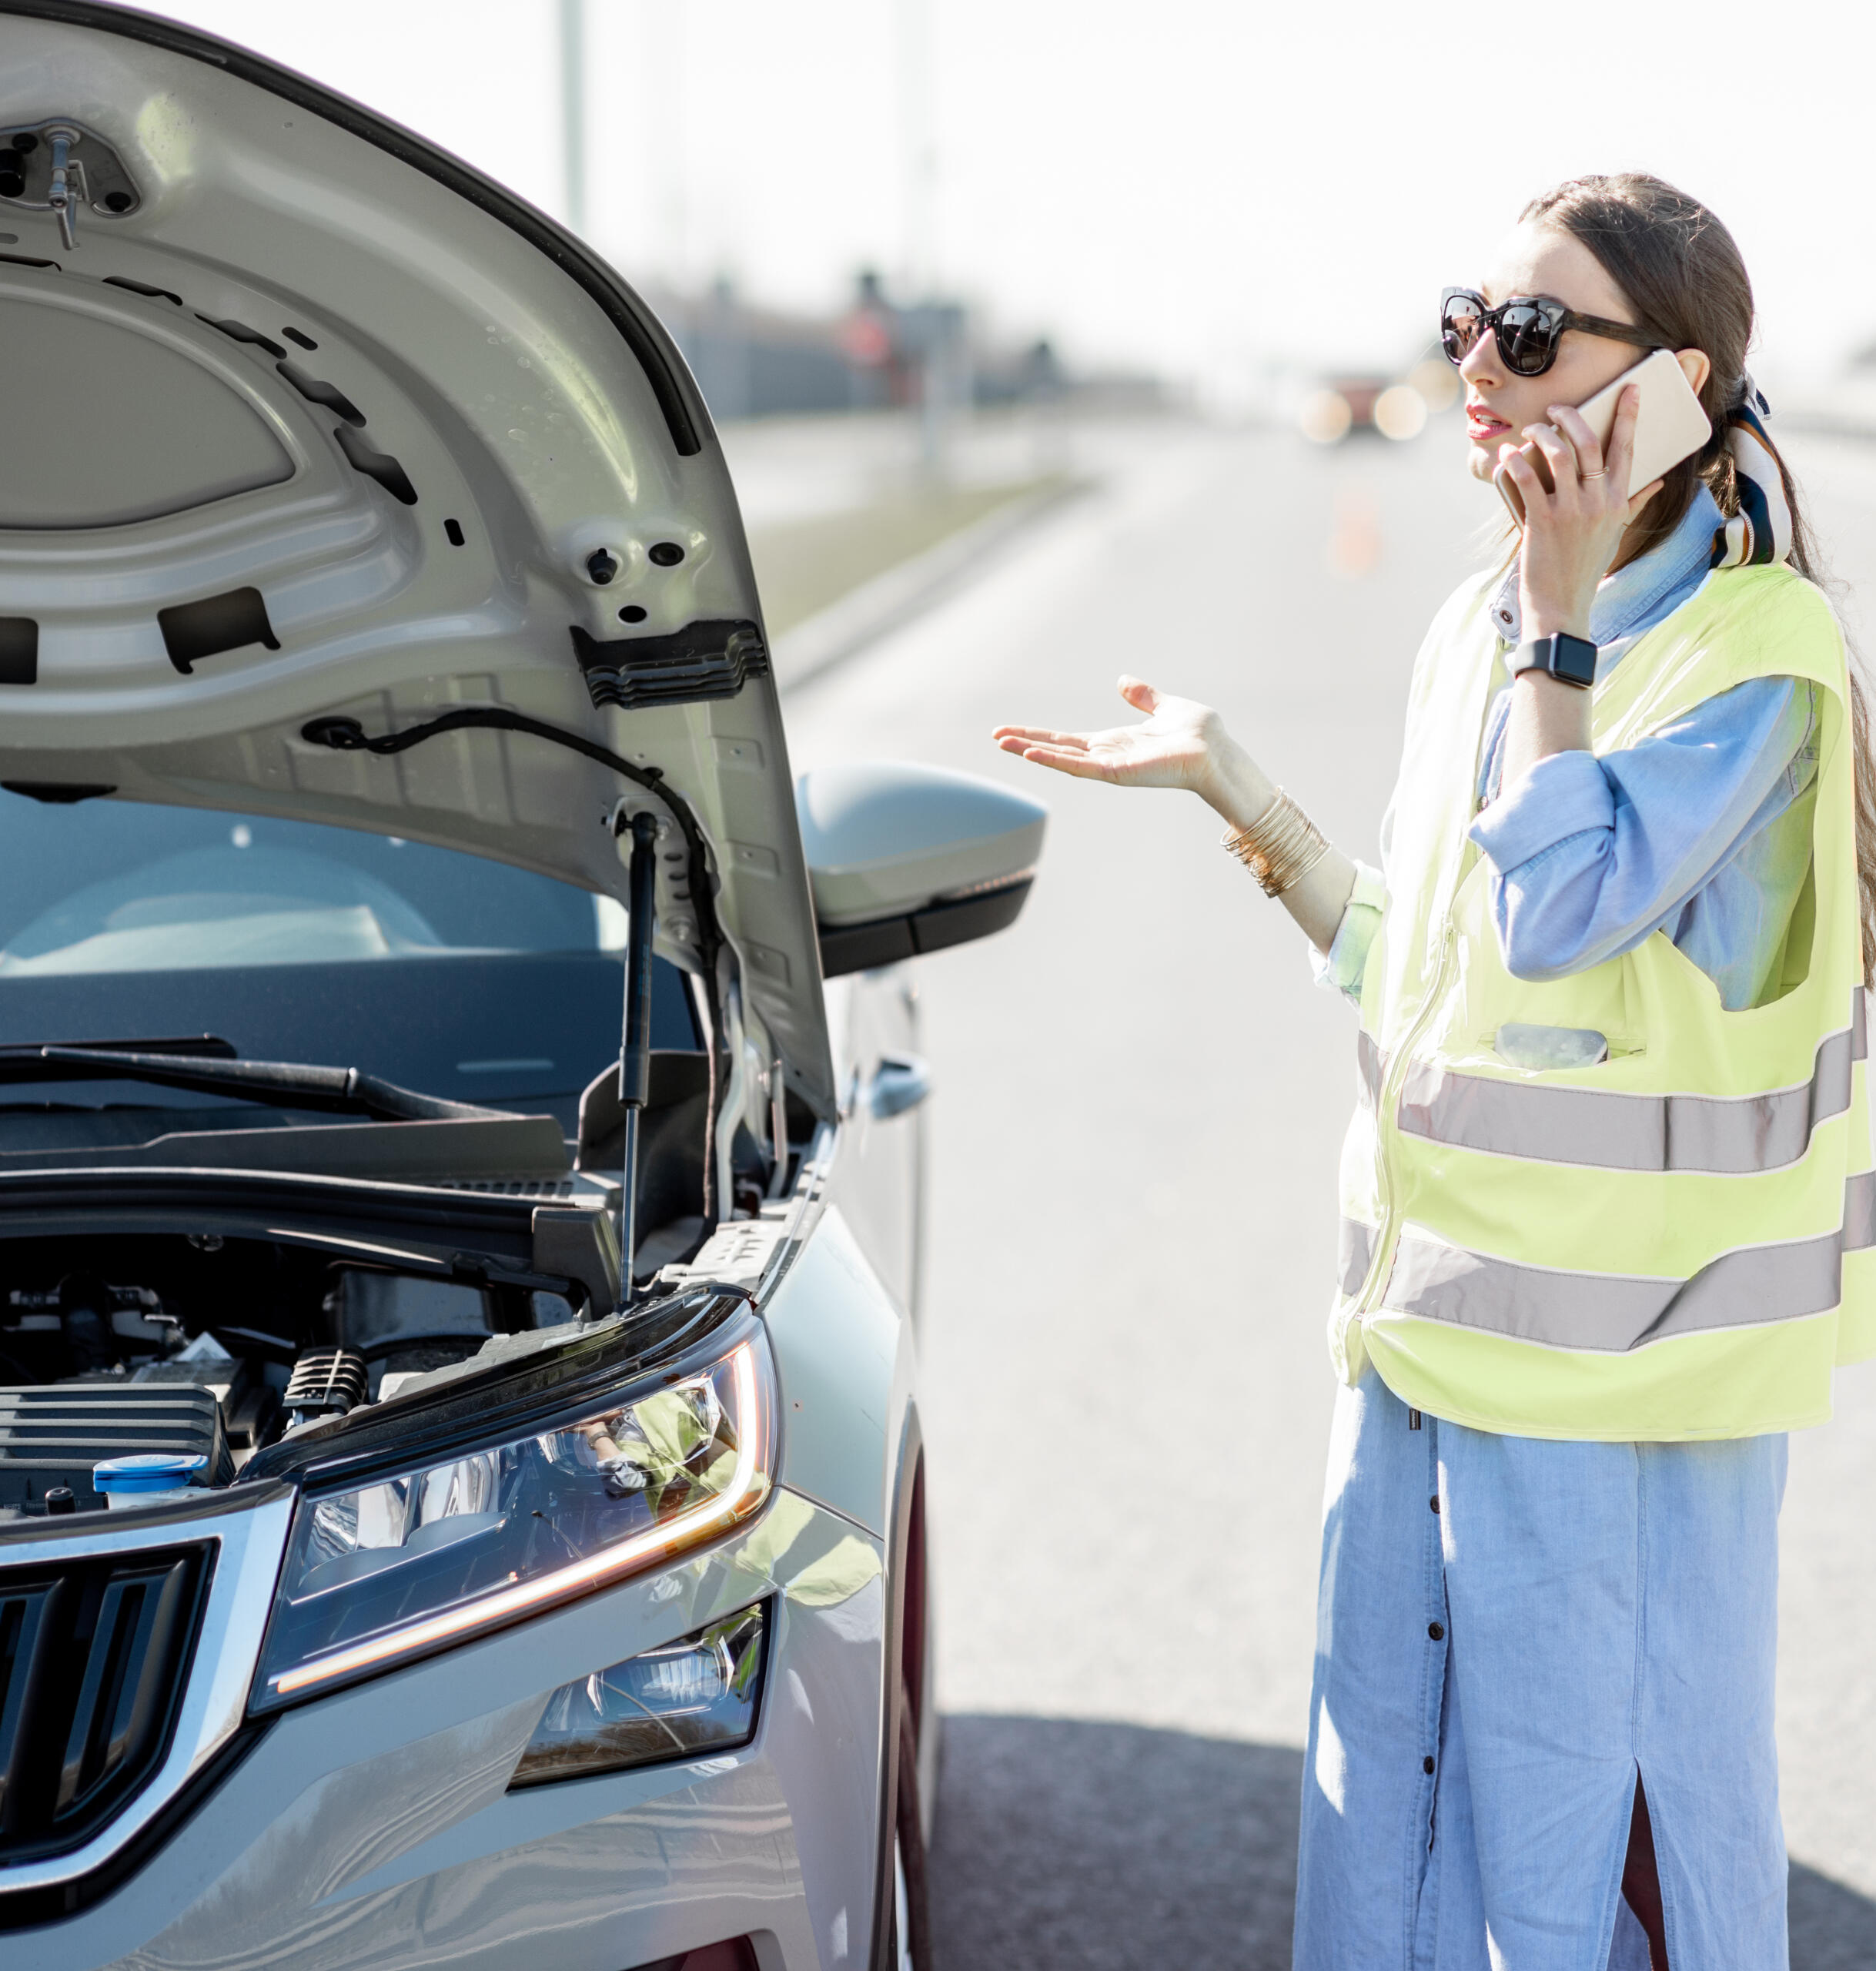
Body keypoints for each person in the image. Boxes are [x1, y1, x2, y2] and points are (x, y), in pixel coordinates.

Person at [993, 173, 1876, 1971]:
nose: (1477, 363)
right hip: (1422, 1368)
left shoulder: (1753, 670)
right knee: (1388, 1860)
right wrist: (1239, 789)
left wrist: (1557, 626)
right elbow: (1433, 975)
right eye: (1460, 320)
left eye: (1533, 333)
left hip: (1618, 1420)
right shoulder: (1478, 632)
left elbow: (1556, 913)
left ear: (1672, 386)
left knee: (1585, 1883)